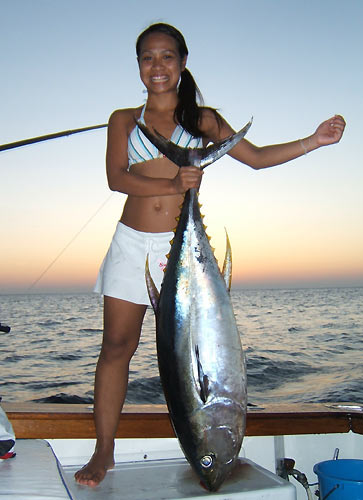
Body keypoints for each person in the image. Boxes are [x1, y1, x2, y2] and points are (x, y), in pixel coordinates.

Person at [75, 23, 345, 487]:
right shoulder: (123, 119)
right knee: (116, 347)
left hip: (184, 254)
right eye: (147, 58)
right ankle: (104, 451)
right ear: (138, 66)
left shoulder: (205, 121)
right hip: (132, 241)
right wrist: (173, 183)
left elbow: (256, 158)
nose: (156, 66)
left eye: (166, 57)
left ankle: (196, 435)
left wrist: (313, 141)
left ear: (182, 62)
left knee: (195, 354)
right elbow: (117, 178)